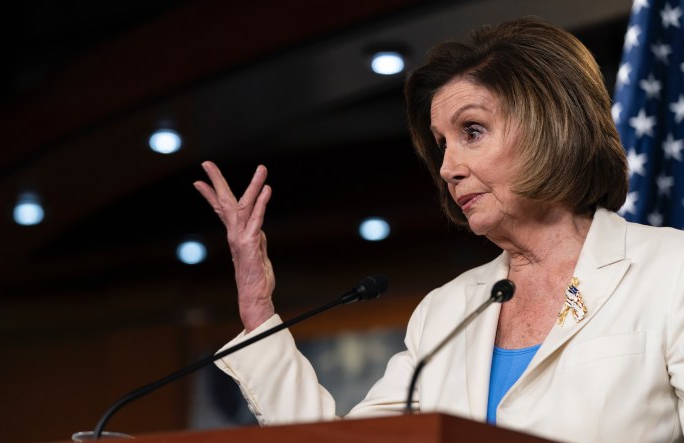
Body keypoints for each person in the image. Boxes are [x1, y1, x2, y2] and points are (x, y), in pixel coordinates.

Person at [193, 17, 684, 443]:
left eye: (472, 131)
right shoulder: (445, 312)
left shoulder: (669, 271)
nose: (448, 167)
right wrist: (258, 312)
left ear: (549, 126)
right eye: (441, 143)